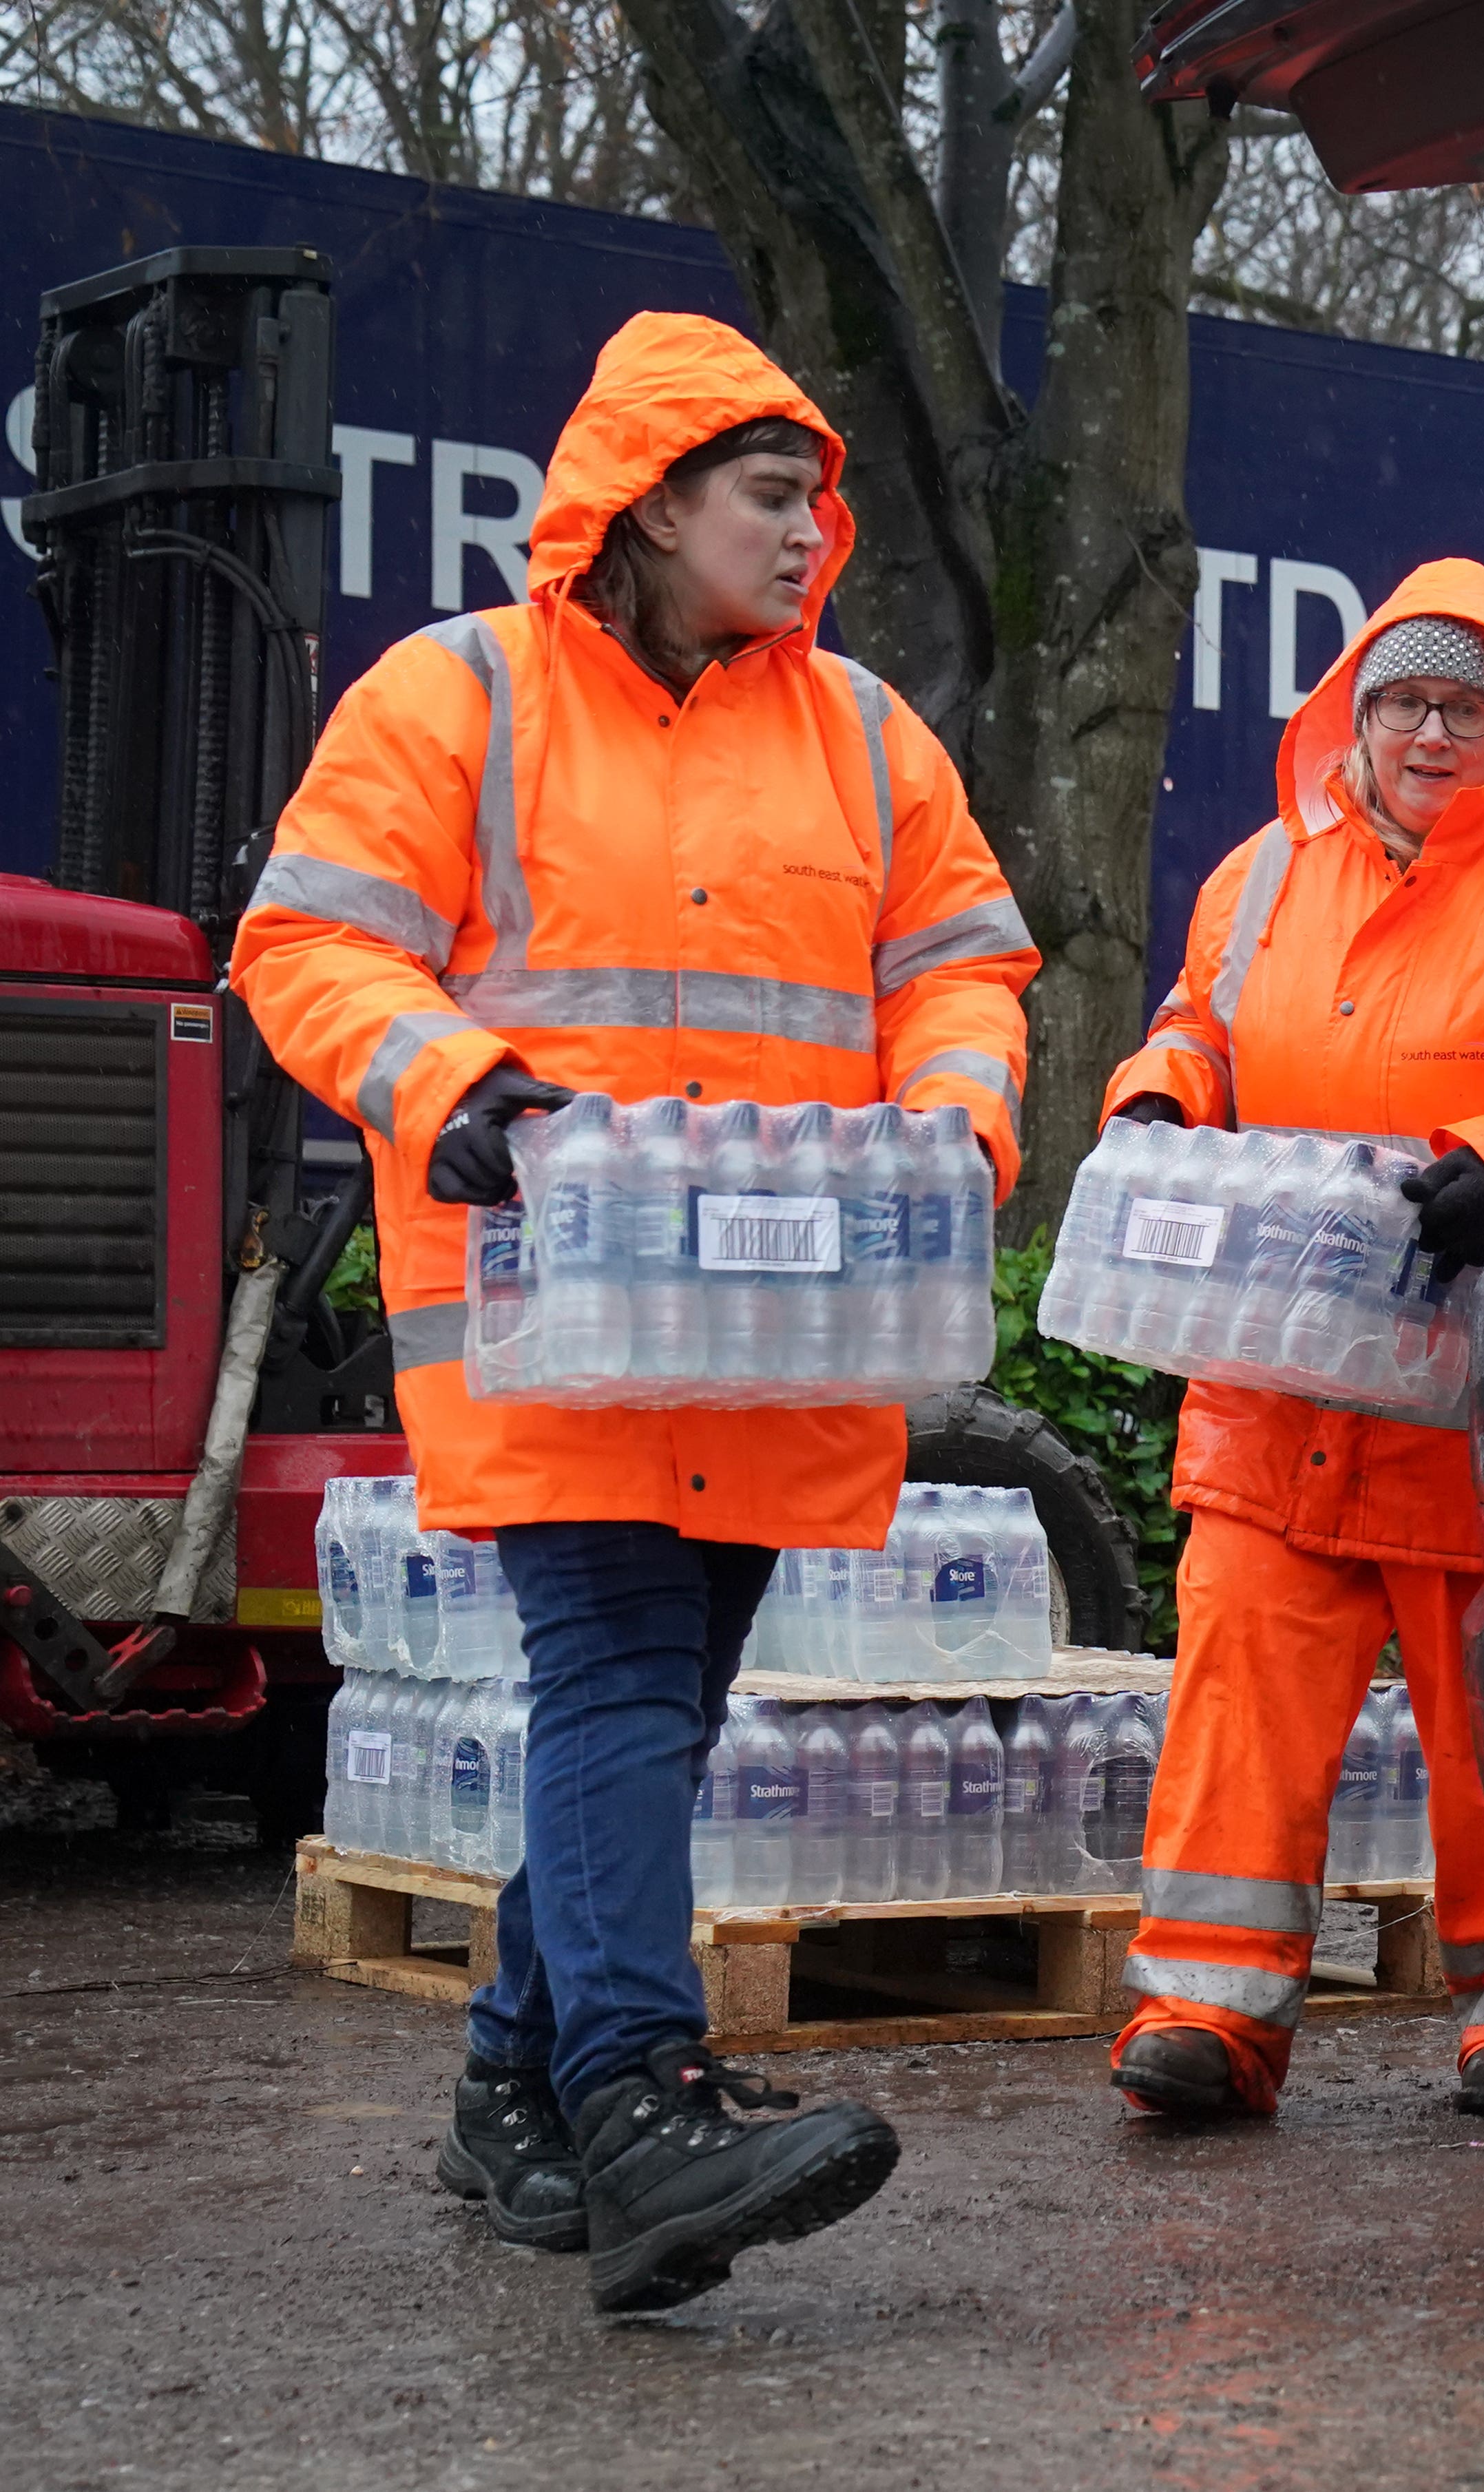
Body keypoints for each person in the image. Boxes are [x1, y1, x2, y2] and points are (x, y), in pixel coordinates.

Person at [232, 312, 1036, 2310]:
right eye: (768, 497)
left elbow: (960, 962)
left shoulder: (859, 728)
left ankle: (511, 2076)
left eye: (815, 501)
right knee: (611, 1673)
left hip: (783, 1325)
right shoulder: (459, 697)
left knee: (663, 1709)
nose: (804, 535)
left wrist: (956, 1112)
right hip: (548, 1307)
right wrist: (461, 1088)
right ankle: (638, 2090)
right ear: (646, 500)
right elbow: (311, 941)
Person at [1097, 561, 1484, 2122]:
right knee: (1236, 1707)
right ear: (1353, 716)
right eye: (1402, 698)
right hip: (1276, 1383)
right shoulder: (1259, 876)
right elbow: (1203, 1026)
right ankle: (1203, 2012)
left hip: (1474, 1396)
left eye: (1461, 707)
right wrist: (1156, 1093)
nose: (1428, 729)